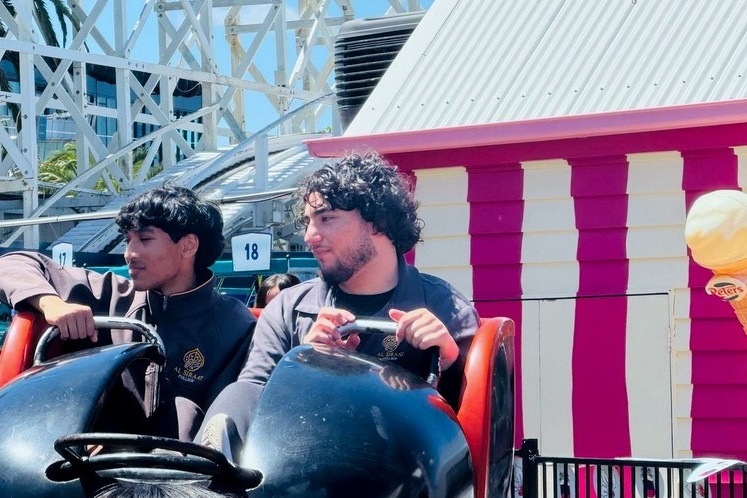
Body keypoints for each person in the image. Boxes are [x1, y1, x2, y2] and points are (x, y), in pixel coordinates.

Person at [197, 151, 479, 457]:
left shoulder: (444, 307)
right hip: (300, 468)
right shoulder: (288, 308)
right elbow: (251, 394)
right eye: (307, 222)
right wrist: (302, 364)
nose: (309, 236)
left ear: (379, 222)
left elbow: (475, 433)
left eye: (326, 219)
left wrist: (449, 362)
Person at [0, 183, 256, 441]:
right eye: (127, 240)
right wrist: (51, 303)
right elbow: (12, 264)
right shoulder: (108, 293)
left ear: (188, 246)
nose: (129, 254)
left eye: (145, 239)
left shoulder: (234, 326)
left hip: (182, 470)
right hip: (94, 463)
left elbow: (227, 421)